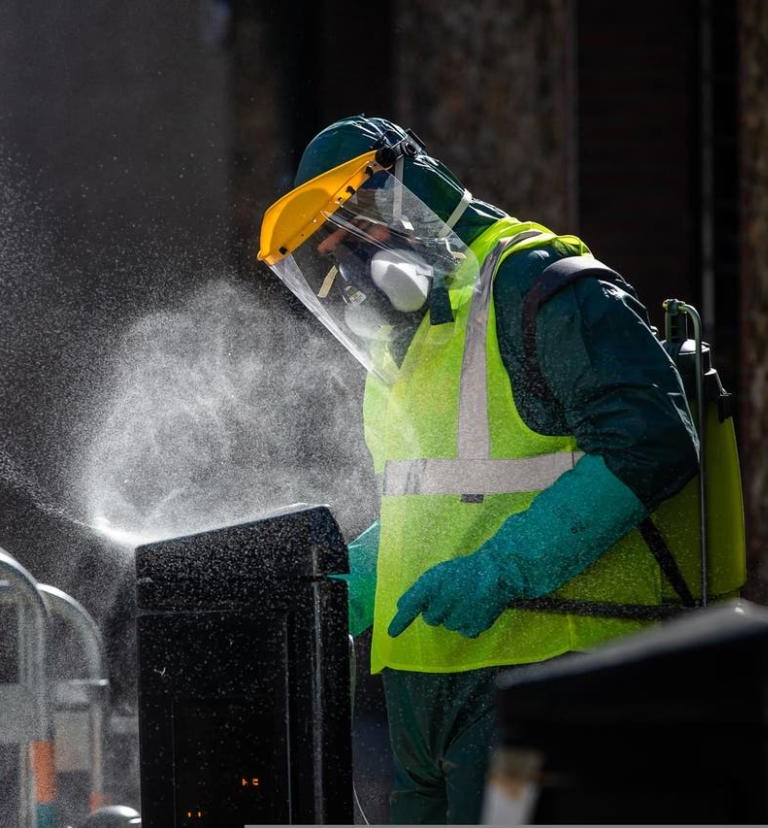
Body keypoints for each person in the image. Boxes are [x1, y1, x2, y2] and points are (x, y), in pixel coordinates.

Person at [256, 116, 738, 823]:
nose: (350, 264)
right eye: (329, 251)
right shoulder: (401, 343)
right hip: (422, 705)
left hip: (545, 679)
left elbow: (652, 438)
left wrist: (505, 569)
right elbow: (444, 495)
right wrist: (359, 576)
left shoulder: (538, 284)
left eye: (353, 228)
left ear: (408, 190)